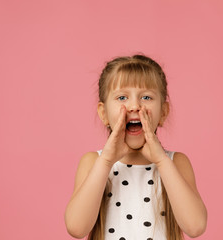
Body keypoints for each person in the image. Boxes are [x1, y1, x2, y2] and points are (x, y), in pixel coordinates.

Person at [64, 54, 207, 240]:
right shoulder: (94, 162)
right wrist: (106, 161)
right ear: (103, 113)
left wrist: (162, 162)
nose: (134, 106)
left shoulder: (175, 163)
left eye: (146, 97)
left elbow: (195, 227)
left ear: (163, 112)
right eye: (122, 97)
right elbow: (76, 228)